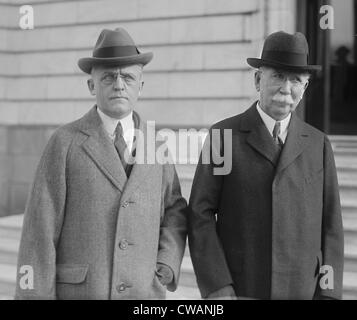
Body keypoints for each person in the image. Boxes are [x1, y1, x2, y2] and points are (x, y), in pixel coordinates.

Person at [15, 28, 187, 299]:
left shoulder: (158, 146)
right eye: (108, 77)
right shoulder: (64, 143)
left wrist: (167, 259)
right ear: (92, 85)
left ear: (140, 86)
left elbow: (175, 209)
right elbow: (39, 232)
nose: (119, 84)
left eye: (128, 77)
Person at [188, 31, 344, 300]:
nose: (286, 88)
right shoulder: (223, 136)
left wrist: (328, 291)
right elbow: (200, 216)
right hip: (241, 290)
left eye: (296, 79)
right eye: (278, 76)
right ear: (258, 80)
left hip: (302, 291)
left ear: (305, 88)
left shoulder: (318, 144)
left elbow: (331, 227)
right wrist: (218, 288)